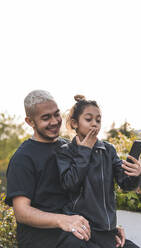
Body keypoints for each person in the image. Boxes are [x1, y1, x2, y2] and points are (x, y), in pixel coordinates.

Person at [5, 90, 127, 248]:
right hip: (43, 237)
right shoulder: (23, 158)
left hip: (75, 227)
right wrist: (62, 220)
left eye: (56, 114)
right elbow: (22, 213)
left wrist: (105, 228)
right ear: (30, 121)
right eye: (46, 117)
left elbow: (83, 193)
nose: (55, 121)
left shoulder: (69, 147)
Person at [56, 95, 141, 248]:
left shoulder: (108, 150)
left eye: (98, 120)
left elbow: (125, 184)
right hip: (82, 232)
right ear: (74, 123)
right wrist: (84, 151)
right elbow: (69, 184)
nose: (94, 124)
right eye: (88, 119)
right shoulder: (65, 151)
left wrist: (137, 173)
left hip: (107, 231)